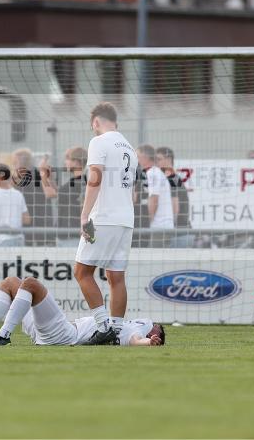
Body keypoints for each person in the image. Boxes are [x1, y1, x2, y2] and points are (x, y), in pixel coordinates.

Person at [0, 276, 165, 347]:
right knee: (10, 283)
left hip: (65, 335)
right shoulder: (124, 324)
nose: (158, 327)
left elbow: (136, 341)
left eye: (159, 330)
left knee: (31, 284)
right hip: (49, 333)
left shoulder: (135, 331)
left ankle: (3, 336)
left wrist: (149, 342)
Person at [75, 102, 136, 345]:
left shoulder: (99, 141)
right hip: (126, 220)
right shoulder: (129, 147)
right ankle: (117, 332)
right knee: (116, 277)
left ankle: (103, 328)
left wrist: (84, 216)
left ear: (96, 122)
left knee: (82, 272)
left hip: (103, 218)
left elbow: (95, 179)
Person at [11, 148, 57, 246]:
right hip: (40, 221)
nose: (13, 165)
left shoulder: (36, 174)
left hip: (37, 221)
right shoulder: (20, 177)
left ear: (21, 162)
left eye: (14, 162)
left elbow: (51, 192)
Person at [137, 144, 175, 248]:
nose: (136, 159)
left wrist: (149, 221)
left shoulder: (152, 173)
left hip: (159, 226)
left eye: (138, 156)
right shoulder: (155, 172)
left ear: (145, 157)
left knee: (154, 255)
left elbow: (154, 199)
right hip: (163, 226)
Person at [156, 146, 192, 248]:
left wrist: (170, 231)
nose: (156, 163)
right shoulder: (172, 177)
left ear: (168, 160)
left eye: (158, 159)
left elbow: (175, 208)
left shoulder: (171, 178)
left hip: (178, 234)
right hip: (180, 233)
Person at [56, 146, 88, 248]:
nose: (65, 162)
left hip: (73, 235)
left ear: (76, 162)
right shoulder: (79, 182)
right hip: (66, 234)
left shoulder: (81, 183)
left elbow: (52, 193)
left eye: (68, 158)